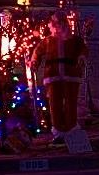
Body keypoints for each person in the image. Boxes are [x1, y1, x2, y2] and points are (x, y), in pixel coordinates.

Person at [33, 12, 87, 143]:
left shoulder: (75, 40)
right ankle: (58, 131)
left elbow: (83, 50)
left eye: (60, 23)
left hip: (71, 75)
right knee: (54, 104)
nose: (57, 26)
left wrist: (81, 58)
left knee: (71, 103)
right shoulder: (47, 41)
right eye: (55, 23)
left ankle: (71, 129)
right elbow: (37, 52)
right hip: (53, 76)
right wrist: (34, 62)